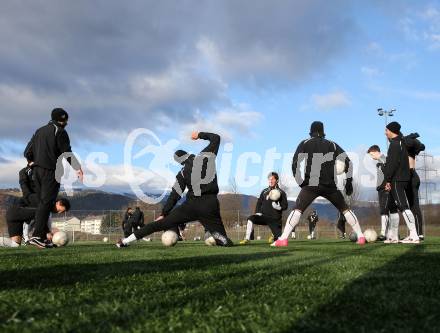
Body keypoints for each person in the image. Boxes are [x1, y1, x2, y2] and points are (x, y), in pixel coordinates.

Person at [117, 131, 233, 248]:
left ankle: (125, 241)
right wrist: (199, 135)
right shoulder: (205, 157)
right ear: (188, 154)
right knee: (225, 241)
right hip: (210, 204)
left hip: (191, 206)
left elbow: (175, 195)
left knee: (158, 225)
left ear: (180, 161)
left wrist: (164, 213)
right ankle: (217, 235)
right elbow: (216, 138)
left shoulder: (182, 173)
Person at [272, 121, 365, 247]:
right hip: (330, 185)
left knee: (298, 209)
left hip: (311, 184)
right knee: (345, 210)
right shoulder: (332, 144)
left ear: (311, 132)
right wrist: (349, 183)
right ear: (323, 132)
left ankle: (283, 239)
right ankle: (361, 236)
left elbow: (295, 163)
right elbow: (348, 162)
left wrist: (300, 182)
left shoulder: (305, 143)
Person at [23, 108, 83, 248]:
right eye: (65, 120)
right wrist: (77, 168)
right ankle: (37, 236)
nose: (66, 123)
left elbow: (27, 151)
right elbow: (66, 152)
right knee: (47, 204)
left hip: (36, 172)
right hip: (51, 172)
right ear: (61, 120)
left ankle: (42, 237)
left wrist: (31, 162)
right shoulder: (60, 131)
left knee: (41, 204)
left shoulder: (39, 131)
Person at [383, 122, 420, 243]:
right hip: (403, 178)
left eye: (386, 130)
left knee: (403, 206)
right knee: (396, 206)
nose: (385, 132)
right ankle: (394, 237)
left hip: (396, 180)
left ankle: (414, 235)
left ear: (392, 131)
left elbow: (392, 164)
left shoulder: (394, 144)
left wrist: (387, 180)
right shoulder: (401, 142)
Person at [239, 172, 288, 245]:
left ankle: (273, 235)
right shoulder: (264, 191)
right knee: (251, 218)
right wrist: (257, 212)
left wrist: (279, 207)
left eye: (272, 179)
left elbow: (285, 206)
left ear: (277, 180)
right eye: (269, 179)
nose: (270, 181)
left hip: (275, 219)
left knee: (278, 240)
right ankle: (247, 239)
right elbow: (259, 202)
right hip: (263, 216)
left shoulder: (281, 193)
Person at [0, 198, 70, 248]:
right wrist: (47, 232)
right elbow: (33, 221)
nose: (60, 213)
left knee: (15, 244)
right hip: (16, 211)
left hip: (13, 215)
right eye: (61, 210)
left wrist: (47, 234)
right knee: (41, 213)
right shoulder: (46, 203)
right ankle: (36, 239)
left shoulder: (47, 211)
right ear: (58, 203)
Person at [367, 145, 399, 242]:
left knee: (385, 210)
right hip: (381, 189)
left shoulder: (385, 159)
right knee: (390, 210)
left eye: (372, 154)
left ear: (376, 151)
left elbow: (391, 172)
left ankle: (383, 233)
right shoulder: (379, 163)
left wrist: (388, 184)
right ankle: (392, 233)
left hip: (386, 189)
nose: (372, 157)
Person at [403, 133, 425, 240]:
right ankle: (416, 233)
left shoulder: (406, 143)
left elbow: (422, 146)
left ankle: (419, 233)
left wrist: (410, 136)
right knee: (411, 206)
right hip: (409, 176)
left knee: (414, 205)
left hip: (412, 176)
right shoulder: (404, 145)